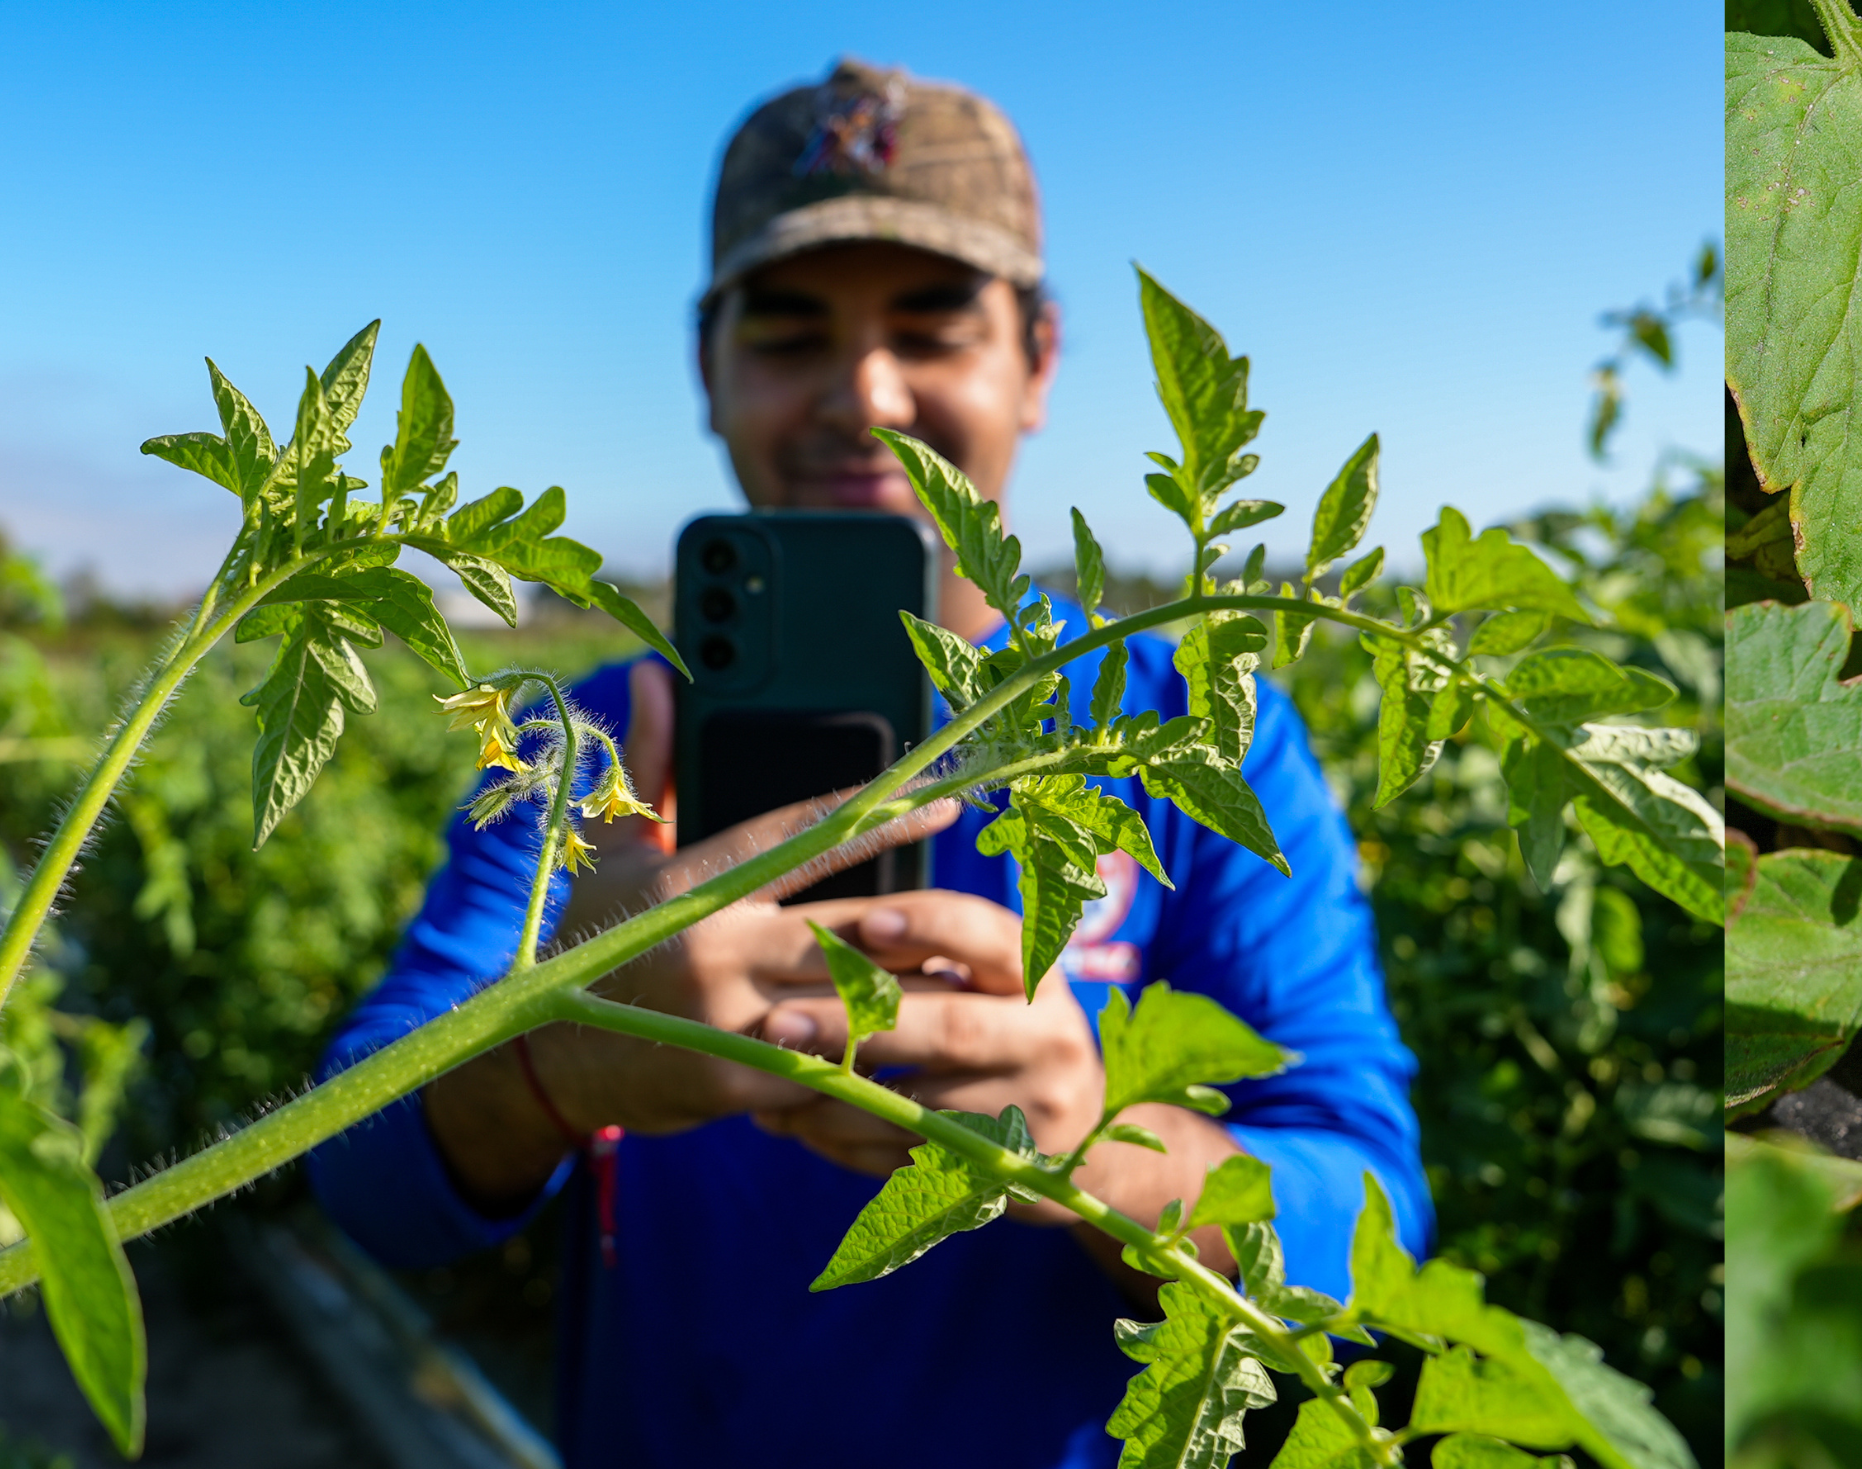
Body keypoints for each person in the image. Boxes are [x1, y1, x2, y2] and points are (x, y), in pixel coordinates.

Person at [304, 58, 1424, 1468]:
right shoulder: (586, 744)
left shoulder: (1202, 727)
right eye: (789, 334)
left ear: (1040, 359)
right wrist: (548, 1055)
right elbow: (364, 1179)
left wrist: (1096, 1150)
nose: (863, 393)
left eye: (929, 326)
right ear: (707, 370)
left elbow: (1371, 1208)